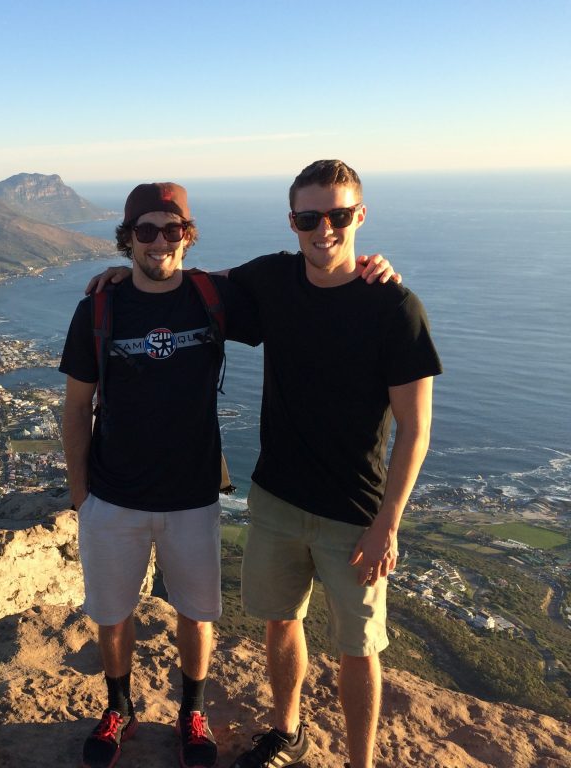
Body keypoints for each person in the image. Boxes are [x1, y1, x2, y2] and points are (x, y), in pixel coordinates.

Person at [60, 180, 398, 768]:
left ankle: (192, 712)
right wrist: (81, 495)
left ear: (187, 236)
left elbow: (307, 281)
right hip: (113, 496)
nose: (159, 241)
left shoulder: (213, 297)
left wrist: (368, 268)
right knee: (112, 615)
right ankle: (120, 707)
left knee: (196, 613)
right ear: (127, 238)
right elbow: (75, 408)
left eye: (171, 229)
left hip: (193, 495)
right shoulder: (98, 308)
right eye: (145, 231)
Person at [222, 160, 441, 768]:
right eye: (309, 219)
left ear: (359, 216)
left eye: (338, 216)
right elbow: (196, 286)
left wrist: (388, 524)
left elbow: (416, 429)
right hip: (277, 499)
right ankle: (285, 731)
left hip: (355, 513)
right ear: (291, 222)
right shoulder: (272, 279)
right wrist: (127, 269)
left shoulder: (395, 307)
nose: (324, 230)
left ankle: (359, 762)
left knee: (359, 647)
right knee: (279, 622)